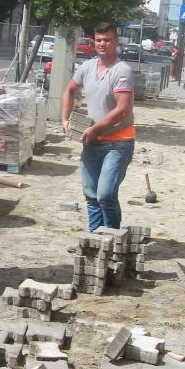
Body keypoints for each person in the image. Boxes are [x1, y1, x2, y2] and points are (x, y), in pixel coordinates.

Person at [61, 22, 136, 232]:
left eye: (107, 40)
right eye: (99, 40)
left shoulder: (122, 71)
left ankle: (111, 238)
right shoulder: (87, 68)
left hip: (118, 143)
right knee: (91, 195)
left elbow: (122, 110)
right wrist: (65, 120)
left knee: (105, 194)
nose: (102, 44)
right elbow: (69, 91)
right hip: (93, 143)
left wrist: (94, 129)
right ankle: (94, 238)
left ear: (116, 42)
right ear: (94, 42)